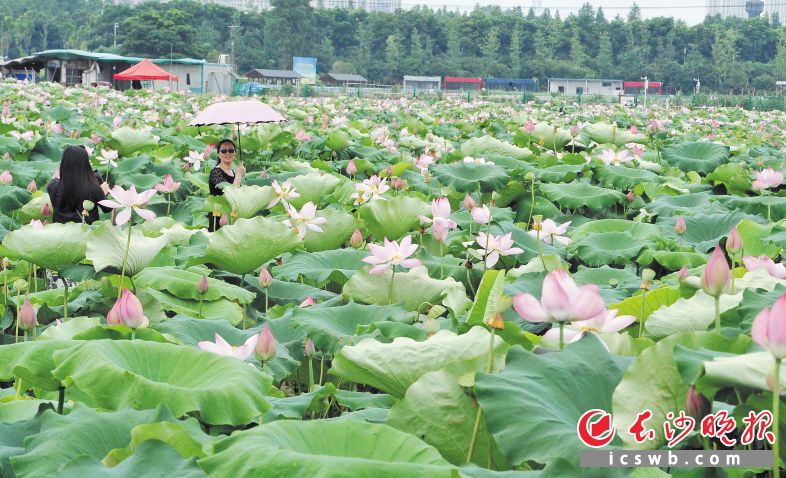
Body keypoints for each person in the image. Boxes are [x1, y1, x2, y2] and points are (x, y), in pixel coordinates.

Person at [46, 145, 111, 225]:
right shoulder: (93, 188)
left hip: (61, 233)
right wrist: (103, 193)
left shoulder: (52, 185)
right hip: (85, 233)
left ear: (64, 162)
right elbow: (108, 208)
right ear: (85, 164)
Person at [207, 138, 245, 232]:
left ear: (235, 153)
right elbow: (230, 193)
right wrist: (239, 175)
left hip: (232, 215)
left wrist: (239, 175)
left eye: (231, 150)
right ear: (218, 154)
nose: (228, 153)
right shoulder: (216, 172)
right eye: (224, 151)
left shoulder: (233, 172)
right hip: (218, 216)